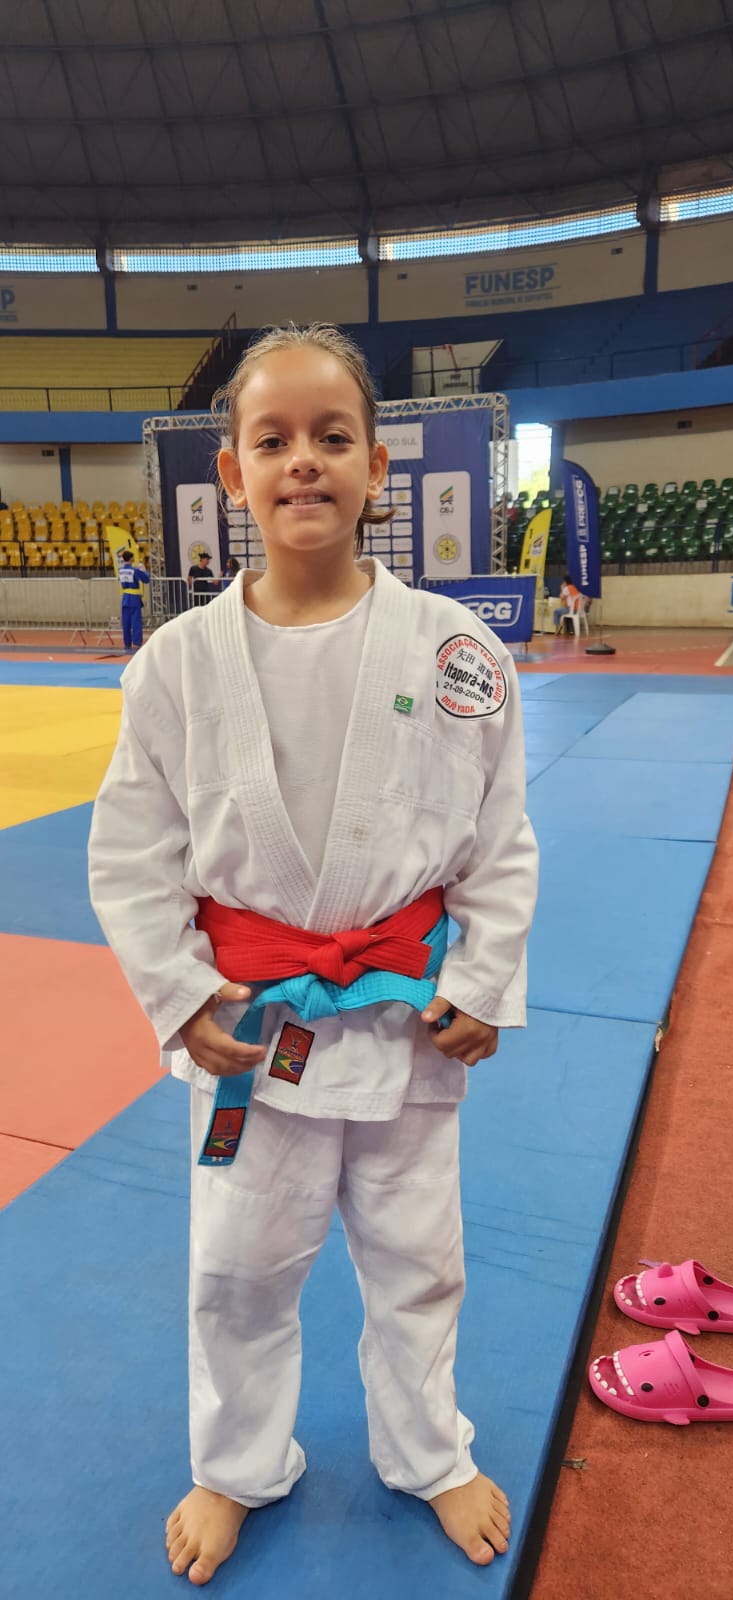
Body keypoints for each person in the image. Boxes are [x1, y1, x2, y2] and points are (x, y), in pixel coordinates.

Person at [88, 323, 538, 1587]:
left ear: (376, 467)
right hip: (251, 1025)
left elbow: (499, 839)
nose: (303, 461)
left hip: (404, 1017)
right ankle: (237, 1464)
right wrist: (179, 995)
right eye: (272, 439)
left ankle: (427, 1451)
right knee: (237, 1270)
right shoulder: (174, 666)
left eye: (332, 437)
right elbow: (132, 854)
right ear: (231, 473)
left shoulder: (455, 649)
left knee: (419, 1261)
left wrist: (481, 981)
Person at [117, 549, 150, 652]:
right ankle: (136, 643)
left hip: (125, 597)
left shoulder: (120, 570)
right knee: (136, 622)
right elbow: (146, 579)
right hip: (134, 598)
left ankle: (127, 643)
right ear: (131, 559)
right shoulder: (134, 570)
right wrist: (144, 570)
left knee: (126, 623)